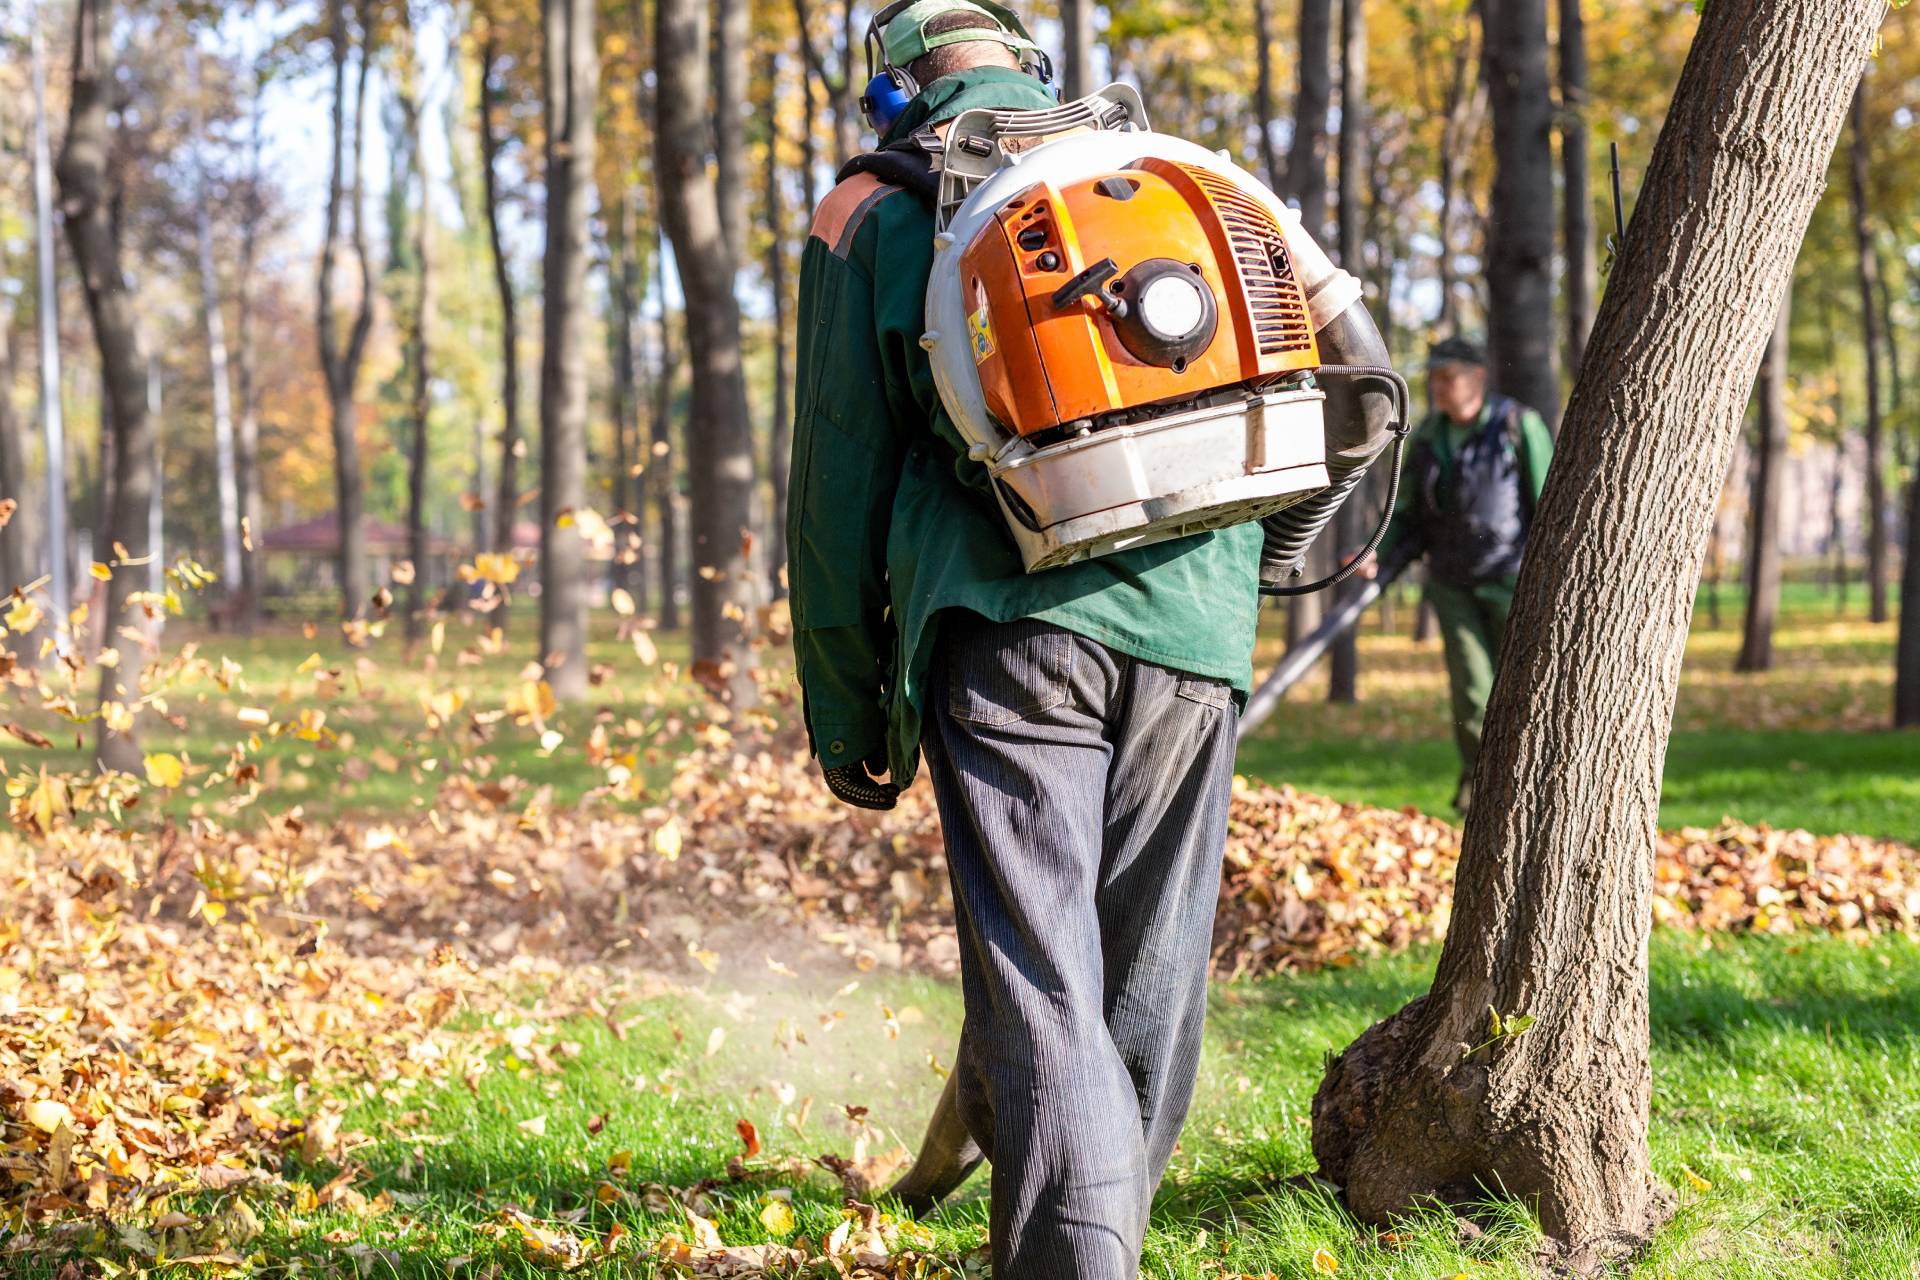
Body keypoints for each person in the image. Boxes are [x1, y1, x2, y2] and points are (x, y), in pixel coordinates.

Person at [787, 5, 1259, 1274]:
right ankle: (1091, 1231)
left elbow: (835, 484)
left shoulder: (869, 212)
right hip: (1196, 620)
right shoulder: (1158, 174)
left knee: (1042, 978)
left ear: (891, 95)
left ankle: (1071, 1260)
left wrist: (848, 714)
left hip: (1009, 627)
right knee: (1146, 972)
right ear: (1029, 69)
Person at [1361, 335, 1555, 812]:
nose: (1440, 388)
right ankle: (1482, 787)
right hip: (1451, 582)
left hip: (1512, 580)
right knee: (1471, 693)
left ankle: (1536, 784)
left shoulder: (1516, 425)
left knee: (1529, 687)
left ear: (1477, 378)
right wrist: (1374, 554)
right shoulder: (1427, 436)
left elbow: (1550, 506)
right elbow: (1404, 512)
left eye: (1450, 378)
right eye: (1435, 379)